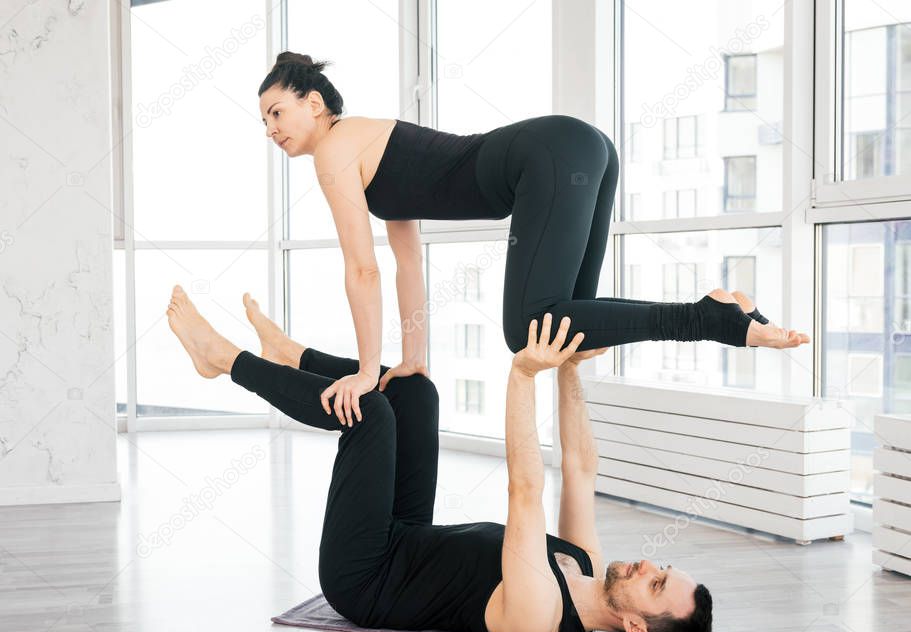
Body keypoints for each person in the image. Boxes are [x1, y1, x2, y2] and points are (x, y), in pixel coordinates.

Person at [257, 51, 810, 427]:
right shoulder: (363, 143)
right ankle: (713, 309)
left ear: (314, 103)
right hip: (582, 146)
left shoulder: (334, 150)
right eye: (264, 121)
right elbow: (406, 263)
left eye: (277, 111)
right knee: (573, 329)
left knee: (526, 329)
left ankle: (707, 318)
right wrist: (411, 360)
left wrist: (364, 372)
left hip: (547, 155)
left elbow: (362, 270)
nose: (272, 129)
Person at [165, 284, 713, 632]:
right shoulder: (584, 563)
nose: (646, 564)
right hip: (406, 533)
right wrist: (568, 366)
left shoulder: (539, 618)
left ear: (636, 628)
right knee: (412, 391)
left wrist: (523, 374)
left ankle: (224, 360)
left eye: (657, 582)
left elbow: (526, 488)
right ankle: (289, 354)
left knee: (369, 415)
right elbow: (579, 467)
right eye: (660, 565)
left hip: (365, 576)